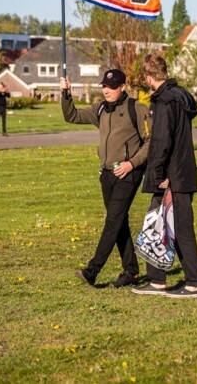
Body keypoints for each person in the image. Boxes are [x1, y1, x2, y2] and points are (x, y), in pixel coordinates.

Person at [61, 69, 151, 289]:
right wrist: (66, 94)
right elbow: (72, 116)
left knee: (113, 221)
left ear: (122, 87)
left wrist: (132, 164)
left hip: (128, 174)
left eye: (111, 87)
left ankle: (93, 270)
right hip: (107, 175)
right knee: (118, 223)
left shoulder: (136, 109)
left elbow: (152, 141)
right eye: (104, 86)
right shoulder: (100, 109)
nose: (106, 90)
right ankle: (131, 270)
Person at [132, 52, 197, 299]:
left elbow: (161, 141)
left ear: (150, 77)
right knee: (164, 225)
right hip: (182, 172)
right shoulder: (181, 96)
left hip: (173, 176)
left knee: (175, 228)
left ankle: (192, 284)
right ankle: (158, 280)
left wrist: (159, 174)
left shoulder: (164, 101)